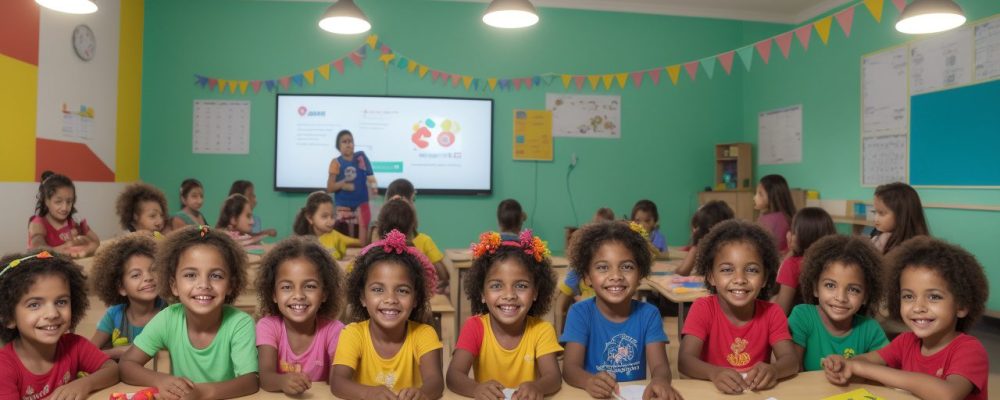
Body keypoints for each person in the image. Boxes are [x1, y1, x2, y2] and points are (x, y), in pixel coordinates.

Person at [823, 237, 989, 400]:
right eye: (908, 296)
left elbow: (947, 394)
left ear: (961, 306)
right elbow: (868, 359)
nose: (918, 307)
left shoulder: (970, 350)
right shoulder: (905, 342)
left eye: (934, 297)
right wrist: (844, 364)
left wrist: (860, 368)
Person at [119, 225, 259, 399]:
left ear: (230, 285)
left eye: (215, 276)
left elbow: (250, 382)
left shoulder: (240, 323)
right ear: (174, 285)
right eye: (191, 275)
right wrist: (161, 380)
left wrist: (200, 393)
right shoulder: (168, 319)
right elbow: (127, 364)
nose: (203, 285)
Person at [561, 221, 682, 400]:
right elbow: (570, 368)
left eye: (626, 267)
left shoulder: (649, 314)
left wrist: (660, 380)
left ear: (640, 274)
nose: (616, 276)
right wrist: (588, 381)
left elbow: (660, 367)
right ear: (587, 277)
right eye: (603, 267)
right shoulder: (579, 313)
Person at [678, 220, 798, 394]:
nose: (740, 279)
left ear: (764, 278)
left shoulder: (773, 313)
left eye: (752, 270)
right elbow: (685, 361)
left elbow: (791, 360)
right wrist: (713, 372)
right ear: (711, 276)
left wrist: (774, 370)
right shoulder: (703, 308)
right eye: (727, 270)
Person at [446, 230, 562, 399]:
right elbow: (453, 376)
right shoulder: (475, 327)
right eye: (496, 286)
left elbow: (554, 378)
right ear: (482, 294)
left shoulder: (542, 330)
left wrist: (537, 386)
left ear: (536, 292)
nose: (509, 295)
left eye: (521, 286)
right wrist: (476, 388)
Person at [330, 229, 444, 400]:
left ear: (415, 299)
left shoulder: (424, 334)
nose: (390, 299)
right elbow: (338, 382)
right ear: (362, 297)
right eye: (378, 289)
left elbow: (435, 382)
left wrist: (422, 393)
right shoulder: (353, 334)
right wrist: (367, 393)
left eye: (402, 290)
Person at [0, 250, 120, 399]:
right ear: (8, 317)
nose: (52, 314)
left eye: (61, 302)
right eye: (34, 305)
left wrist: (84, 384)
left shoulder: (75, 345)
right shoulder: (4, 367)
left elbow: (112, 370)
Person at [255, 237, 345, 395]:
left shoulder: (334, 330)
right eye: (287, 287)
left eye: (310, 286)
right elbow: (265, 378)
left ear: (324, 293)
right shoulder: (267, 326)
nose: (298, 295)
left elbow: (338, 382)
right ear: (274, 294)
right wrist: (282, 381)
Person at [789, 235, 887, 371]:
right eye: (830, 285)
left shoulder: (870, 329)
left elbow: (887, 368)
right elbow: (791, 369)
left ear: (866, 296)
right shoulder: (803, 317)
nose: (841, 298)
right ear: (816, 288)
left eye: (853, 290)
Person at [89, 233, 166, 360]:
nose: (148, 277)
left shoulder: (170, 312)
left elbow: (166, 353)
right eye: (136, 275)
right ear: (121, 288)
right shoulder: (114, 315)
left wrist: (117, 352)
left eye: (153, 269)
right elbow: (89, 352)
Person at [772, 207, 836, 314]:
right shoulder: (833, 261)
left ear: (804, 237)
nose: (788, 234)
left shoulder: (792, 265)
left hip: (798, 325)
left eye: (793, 231)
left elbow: (781, 310)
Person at [27, 171, 100, 258]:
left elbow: (96, 242)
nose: (65, 208)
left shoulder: (73, 222)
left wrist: (82, 248)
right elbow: (37, 250)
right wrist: (66, 248)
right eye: (58, 202)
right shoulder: (38, 223)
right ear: (46, 201)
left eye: (69, 202)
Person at [327, 130, 377, 244]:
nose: (348, 144)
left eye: (350, 141)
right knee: (344, 240)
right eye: (344, 142)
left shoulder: (361, 157)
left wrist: (374, 188)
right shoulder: (336, 163)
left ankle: (361, 256)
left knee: (362, 242)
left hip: (362, 205)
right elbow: (330, 188)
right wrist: (343, 184)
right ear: (338, 147)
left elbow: (370, 176)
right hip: (344, 208)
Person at [292, 191, 360, 259]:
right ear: (310, 218)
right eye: (324, 216)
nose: (331, 221)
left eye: (332, 216)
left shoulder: (335, 236)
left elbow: (360, 243)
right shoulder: (301, 244)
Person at [675, 200, 734, 276]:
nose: (694, 231)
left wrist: (696, 244)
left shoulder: (729, 249)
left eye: (697, 228)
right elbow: (681, 272)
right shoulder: (701, 245)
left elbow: (682, 271)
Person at [870, 182, 929, 254]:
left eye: (881, 213)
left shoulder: (916, 248)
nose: (875, 219)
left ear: (901, 215)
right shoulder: (877, 238)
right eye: (874, 212)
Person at [753, 174, 796, 253]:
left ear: (772, 196)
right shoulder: (786, 216)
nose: (755, 197)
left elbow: (758, 247)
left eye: (760, 194)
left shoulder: (768, 220)